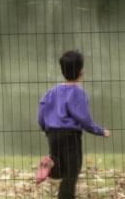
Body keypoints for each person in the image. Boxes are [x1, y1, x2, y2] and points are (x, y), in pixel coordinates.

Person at [36, 50, 110, 199]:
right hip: (70, 136)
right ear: (81, 71)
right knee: (71, 172)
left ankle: (50, 166)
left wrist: (45, 128)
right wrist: (100, 131)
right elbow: (84, 119)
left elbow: (41, 111)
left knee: (59, 166)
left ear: (62, 70)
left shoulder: (52, 92)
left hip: (53, 134)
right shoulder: (77, 93)